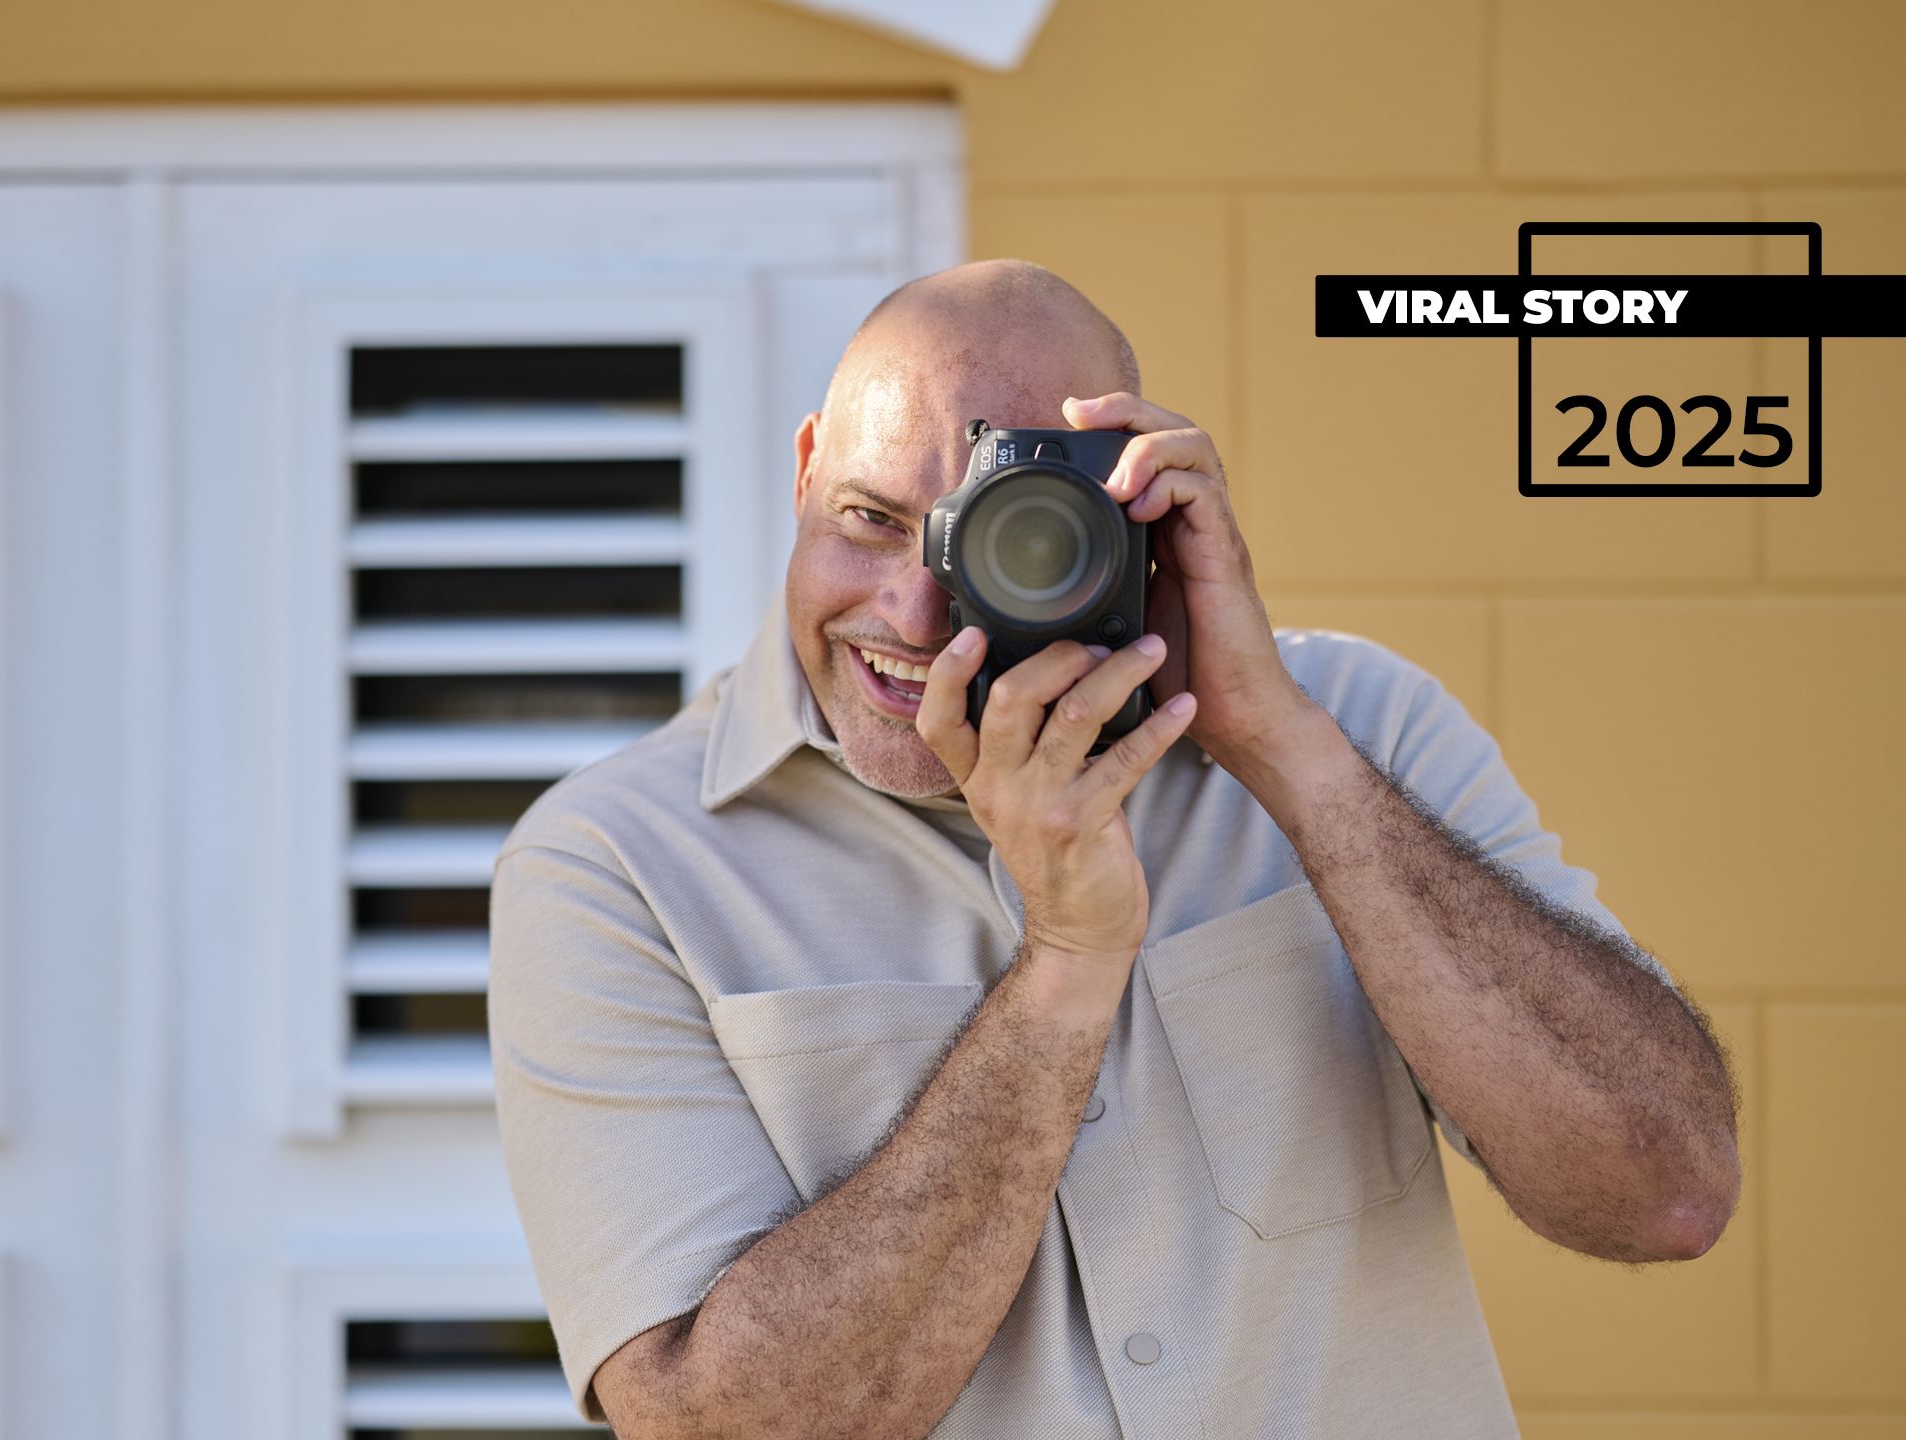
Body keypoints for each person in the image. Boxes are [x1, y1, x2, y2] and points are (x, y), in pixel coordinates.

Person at [486, 259, 1741, 1439]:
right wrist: (1069, 965)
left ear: (1139, 528)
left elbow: (1665, 1193)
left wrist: (1289, 760)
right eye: (871, 519)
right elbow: (722, 1424)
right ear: (808, 470)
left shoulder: (1358, 734)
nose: (919, 616)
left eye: (1006, 536)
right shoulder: (615, 869)